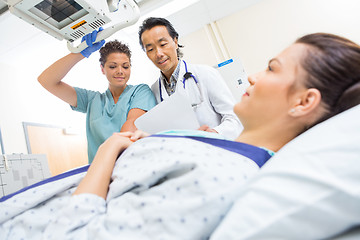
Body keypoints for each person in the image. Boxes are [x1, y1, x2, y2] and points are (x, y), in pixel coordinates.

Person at [2, 33, 360, 239]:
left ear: (304, 101)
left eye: (271, 68)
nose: (251, 77)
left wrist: (110, 148)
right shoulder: (215, 155)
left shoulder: (221, 176)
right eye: (148, 48)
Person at [38, 30, 156, 163]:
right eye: (112, 66)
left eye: (125, 66)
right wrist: (79, 53)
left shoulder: (140, 91)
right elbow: (46, 80)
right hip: (98, 169)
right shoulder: (91, 100)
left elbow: (130, 129)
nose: (120, 71)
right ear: (102, 69)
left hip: (126, 164)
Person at [138, 17, 243, 140]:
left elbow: (235, 118)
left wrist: (214, 133)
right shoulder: (154, 91)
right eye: (150, 49)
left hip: (217, 148)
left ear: (175, 41)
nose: (158, 53)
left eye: (163, 44)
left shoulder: (205, 74)